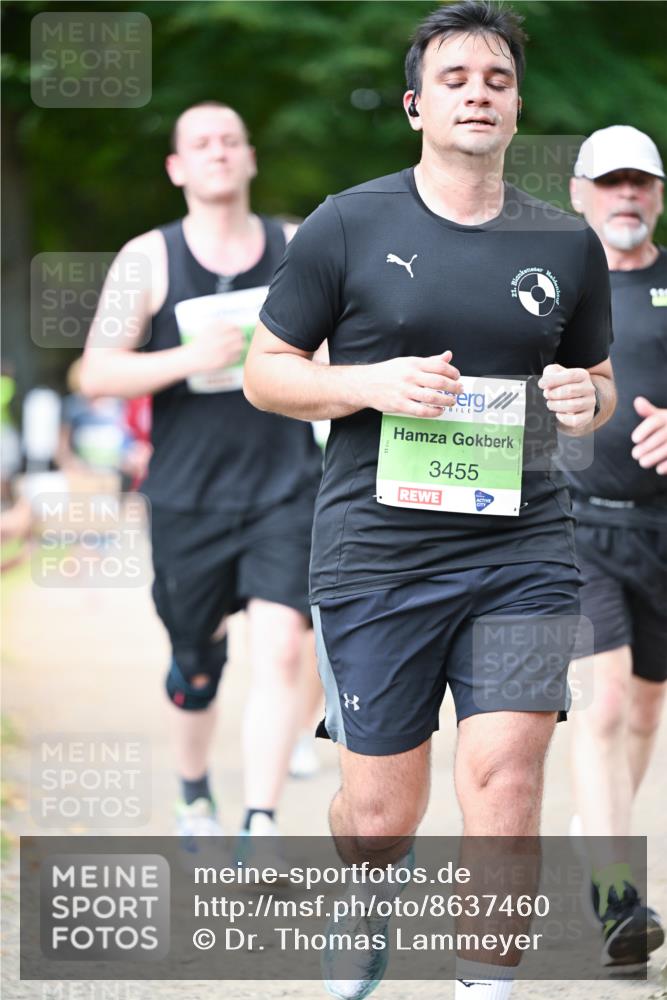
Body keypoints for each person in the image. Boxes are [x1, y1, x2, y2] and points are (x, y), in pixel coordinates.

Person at [244, 3, 617, 997]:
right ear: (415, 105)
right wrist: (366, 383)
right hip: (377, 553)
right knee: (380, 818)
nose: (477, 95)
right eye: (454, 80)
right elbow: (265, 373)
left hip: (522, 549)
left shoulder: (564, 240)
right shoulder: (348, 223)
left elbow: (596, 382)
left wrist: (584, 400)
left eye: (496, 81)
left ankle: (481, 983)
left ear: (517, 107)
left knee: (507, 781)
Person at [80, 102, 323, 846]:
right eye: (201, 143)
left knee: (284, 646)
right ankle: (193, 796)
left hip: (286, 484)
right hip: (187, 495)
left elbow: (340, 347)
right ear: (177, 168)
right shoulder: (146, 259)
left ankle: (260, 819)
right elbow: (95, 372)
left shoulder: (297, 245)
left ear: (249, 158)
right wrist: (192, 358)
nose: (218, 152)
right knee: (195, 662)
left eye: (230, 140)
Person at [567, 125, 666, 963]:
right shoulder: (552, 287)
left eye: (639, 181)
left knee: (642, 707)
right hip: (576, 524)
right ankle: (615, 895)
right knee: (600, 702)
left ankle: (598, 832)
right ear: (579, 194)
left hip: (661, 529)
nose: (625, 194)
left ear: (658, 196)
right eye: (609, 182)